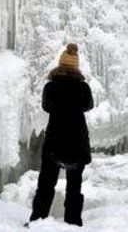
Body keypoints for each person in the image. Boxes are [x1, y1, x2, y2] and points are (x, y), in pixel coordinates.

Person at [29, 43, 94, 227]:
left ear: (60, 64)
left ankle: (37, 220)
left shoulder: (50, 87)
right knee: (74, 188)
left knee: (46, 185)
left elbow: (46, 107)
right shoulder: (83, 88)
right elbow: (88, 106)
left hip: (54, 143)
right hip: (77, 143)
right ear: (76, 66)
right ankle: (73, 223)